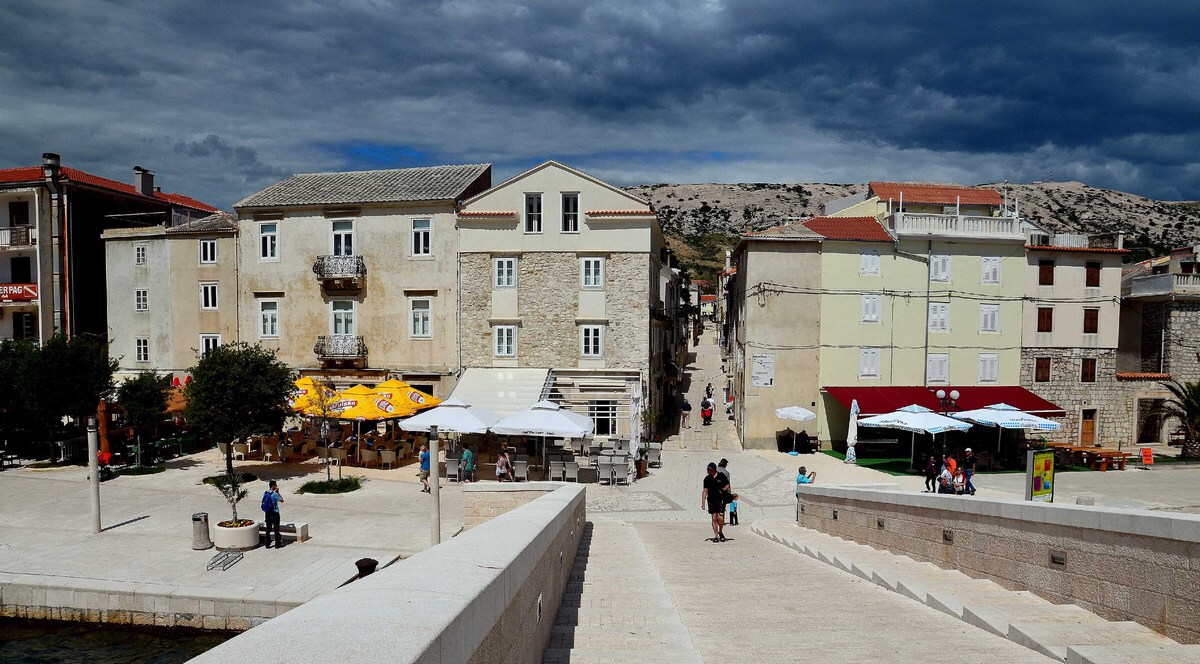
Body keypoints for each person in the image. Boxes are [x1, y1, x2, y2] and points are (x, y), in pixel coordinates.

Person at [701, 462, 730, 542]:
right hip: (711, 500)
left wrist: (723, 490)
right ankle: (716, 536)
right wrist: (703, 503)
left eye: (709, 469)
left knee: (720, 518)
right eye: (707, 469)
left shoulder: (721, 476)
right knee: (714, 518)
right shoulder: (707, 479)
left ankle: (720, 532)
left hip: (720, 500)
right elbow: (705, 490)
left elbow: (727, 484)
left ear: (714, 469)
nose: (708, 471)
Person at [261, 481, 284, 549]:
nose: (276, 486)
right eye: (275, 485)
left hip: (267, 513)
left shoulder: (266, 493)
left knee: (268, 529)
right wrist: (278, 493)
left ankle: (267, 544)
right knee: (276, 529)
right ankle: (277, 544)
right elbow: (282, 500)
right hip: (275, 513)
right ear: (273, 486)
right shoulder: (274, 494)